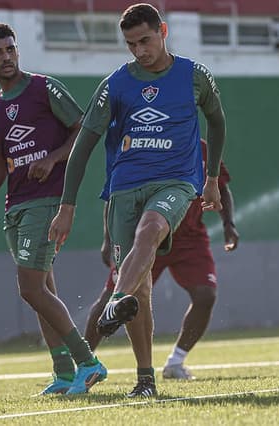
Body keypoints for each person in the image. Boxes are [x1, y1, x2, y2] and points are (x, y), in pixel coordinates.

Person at [48, 3, 227, 396]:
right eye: (130, 44)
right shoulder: (115, 83)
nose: (139, 50)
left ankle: (115, 299)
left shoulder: (195, 76)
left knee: (152, 228)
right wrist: (67, 206)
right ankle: (145, 379)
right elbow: (83, 147)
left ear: (162, 30)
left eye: (145, 40)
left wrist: (211, 177)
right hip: (124, 188)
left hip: (176, 183)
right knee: (141, 290)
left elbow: (217, 121)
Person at [0, 23, 106, 395]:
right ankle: (62, 373)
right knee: (43, 288)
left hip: (48, 202)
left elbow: (85, 129)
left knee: (30, 288)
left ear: (17, 50)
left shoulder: (44, 87)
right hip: (16, 206)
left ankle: (89, 363)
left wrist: (55, 159)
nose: (6, 57)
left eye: (10, 49)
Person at [84, 140, 238, 397]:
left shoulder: (202, 148)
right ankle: (82, 363)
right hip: (146, 236)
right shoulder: (144, 140)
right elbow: (116, 192)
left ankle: (176, 361)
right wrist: (108, 239)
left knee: (205, 294)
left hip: (189, 238)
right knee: (112, 297)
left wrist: (228, 224)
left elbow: (222, 187)